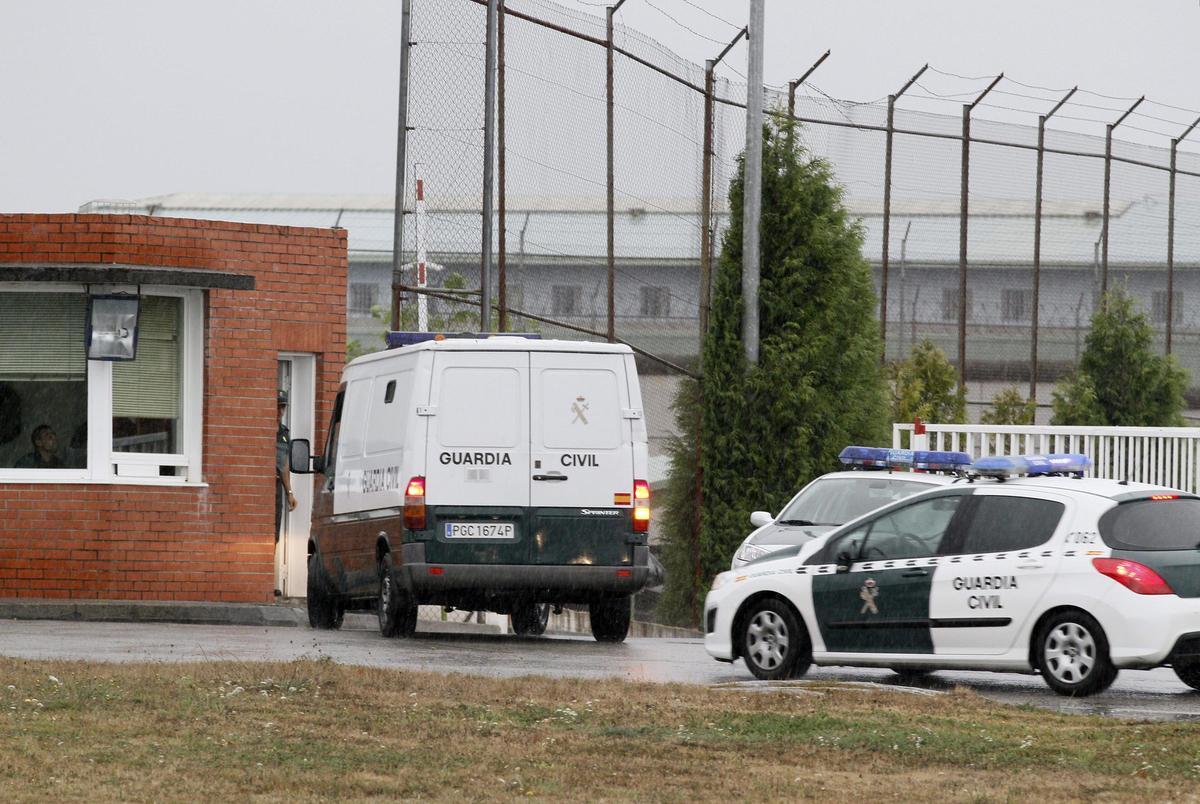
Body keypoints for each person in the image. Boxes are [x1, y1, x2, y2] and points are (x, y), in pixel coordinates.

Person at [276, 391, 296, 543]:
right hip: (262, 486)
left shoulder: (284, 433)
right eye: (278, 406)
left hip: (276, 486)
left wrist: (289, 492)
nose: (280, 411)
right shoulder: (262, 430)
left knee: (275, 530)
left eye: (283, 407)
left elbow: (284, 466)